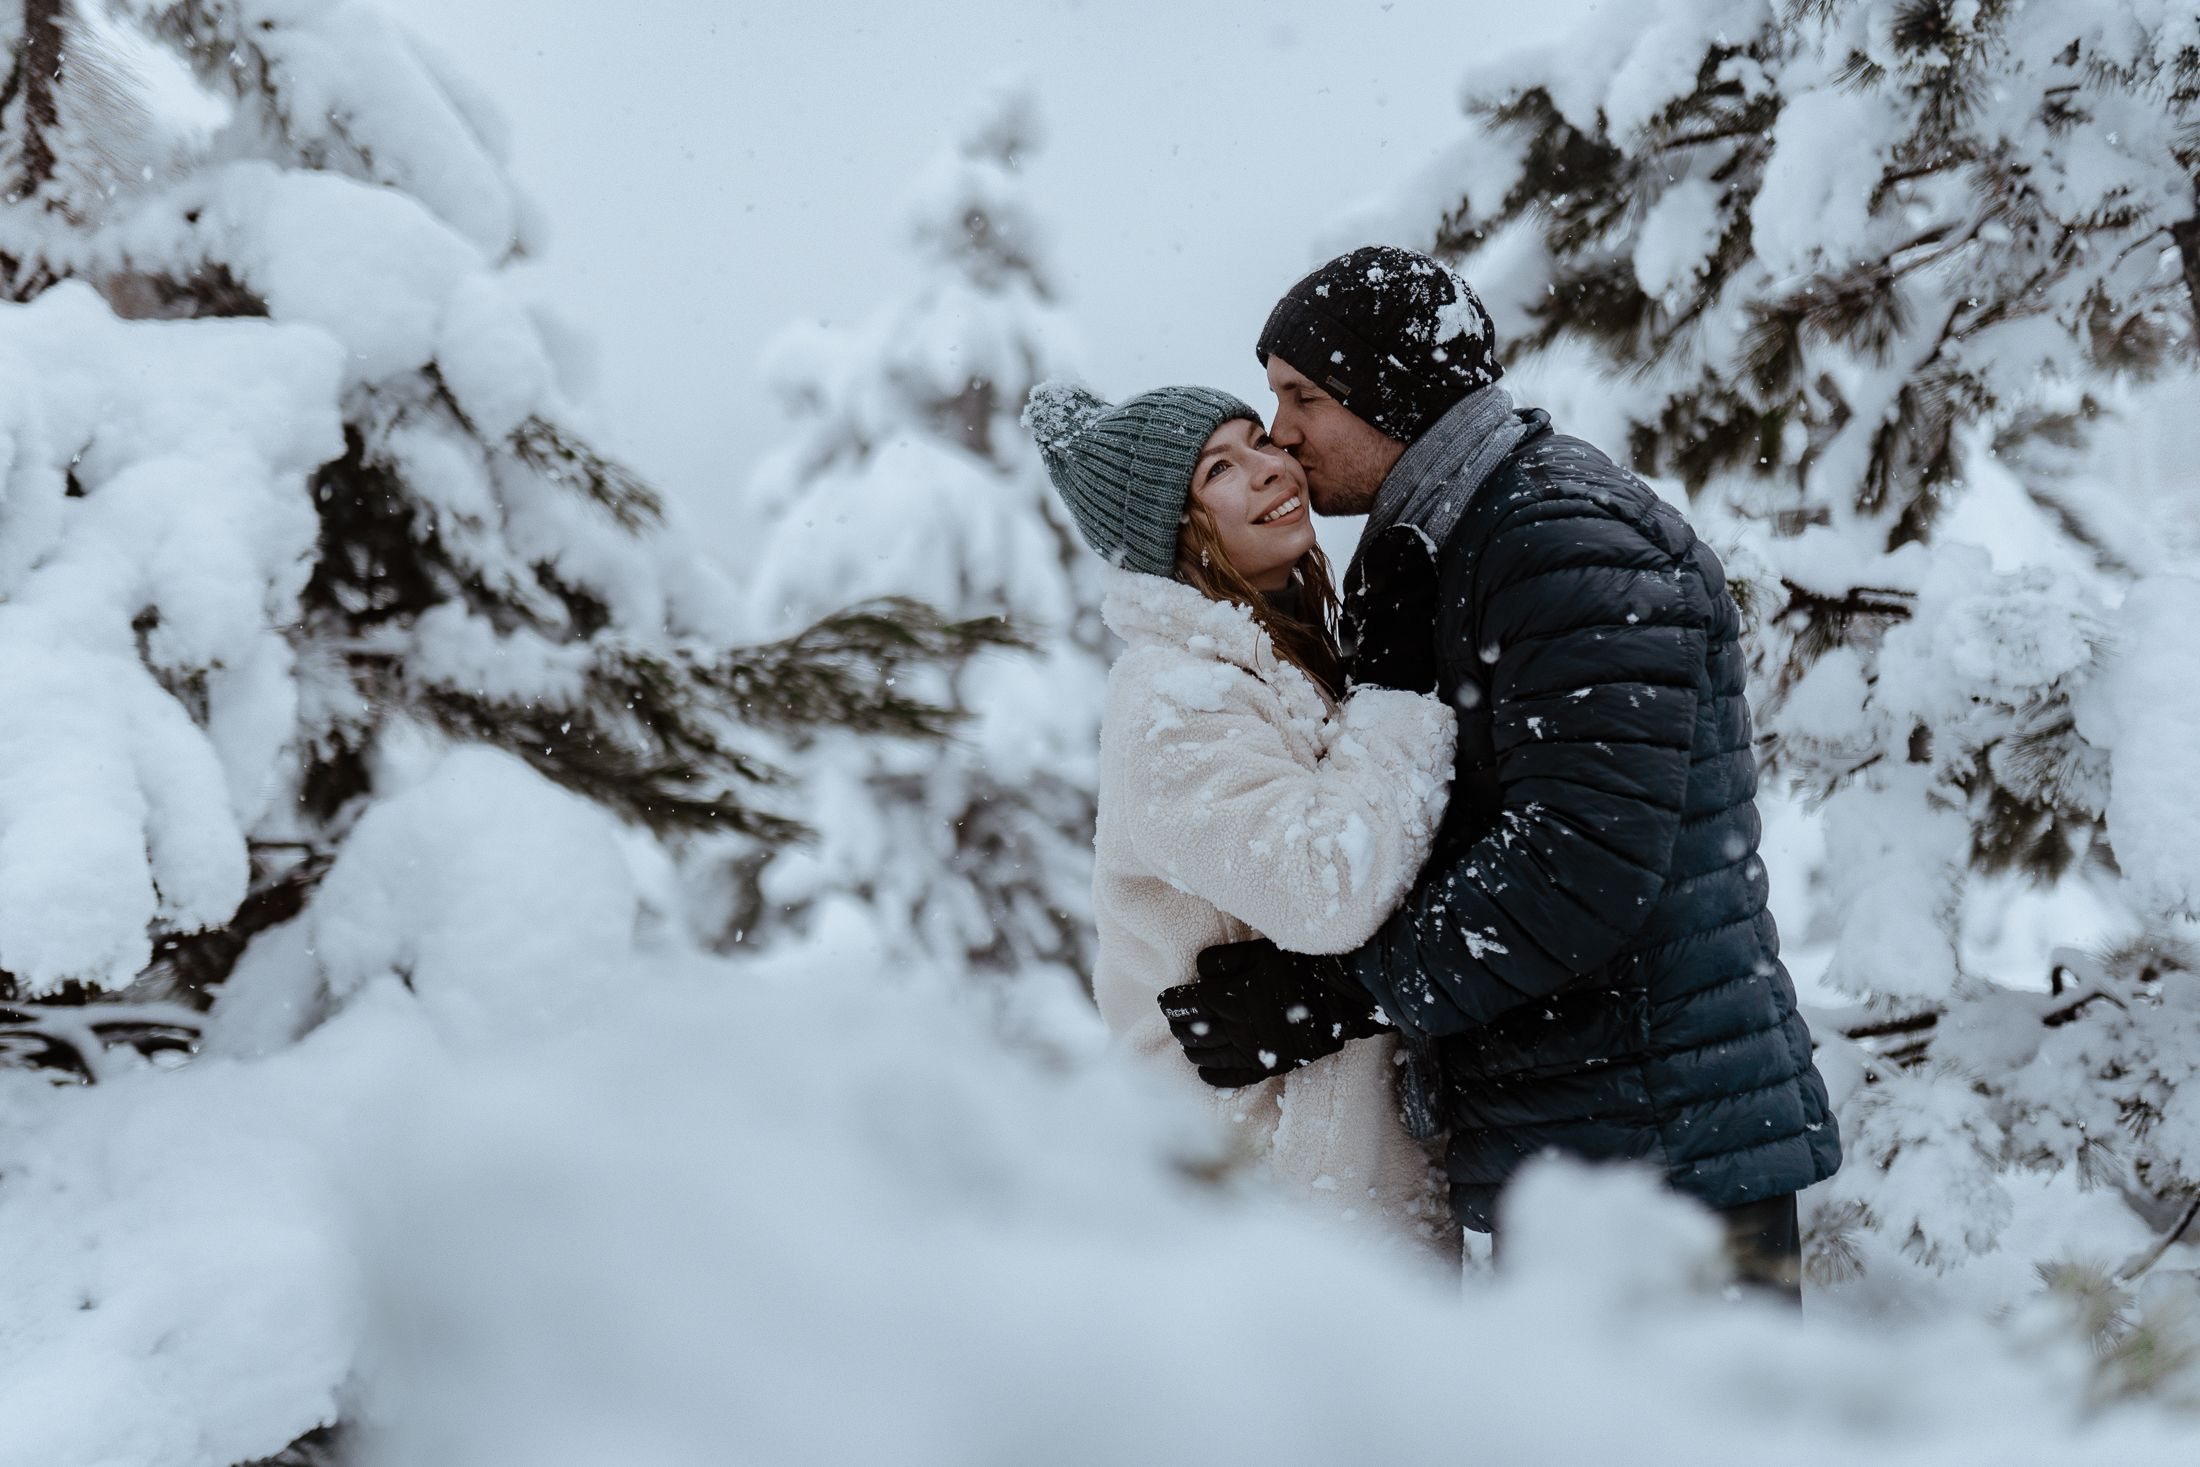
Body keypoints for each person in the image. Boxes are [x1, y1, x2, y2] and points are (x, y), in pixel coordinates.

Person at [1158, 245, 1842, 1302]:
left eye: (1302, 395)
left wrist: (1340, 993)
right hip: (1595, 1143)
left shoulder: (1556, 539)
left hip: (1660, 1156)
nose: (1282, 433)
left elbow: (1579, 861)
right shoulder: (1465, 543)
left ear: (1393, 388)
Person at [1023, 379, 1461, 1261]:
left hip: (1334, 1179)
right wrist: (1398, 693)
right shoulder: (1175, 698)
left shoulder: (1282, 662)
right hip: (1259, 1199)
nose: (1271, 468)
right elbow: (1326, 885)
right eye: (1221, 467)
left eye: (1261, 440)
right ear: (1171, 533)